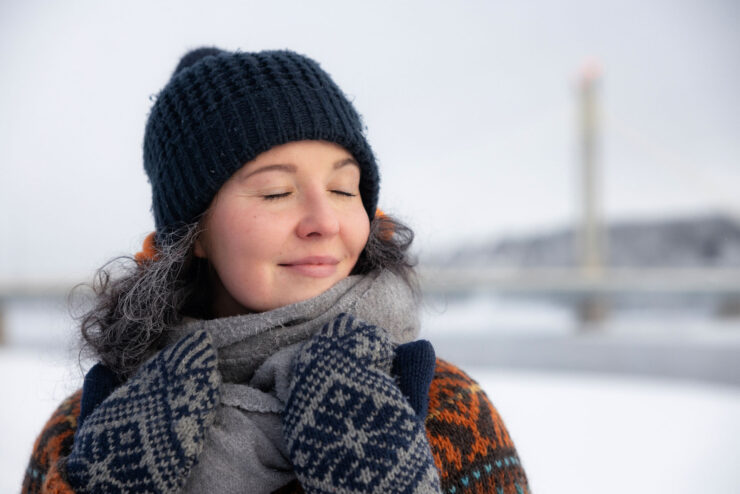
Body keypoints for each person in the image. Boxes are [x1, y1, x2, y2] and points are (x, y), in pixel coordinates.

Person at [22, 47, 529, 494]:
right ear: (194, 233)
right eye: (276, 193)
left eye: (344, 189)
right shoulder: (85, 429)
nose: (324, 221)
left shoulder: (446, 408)